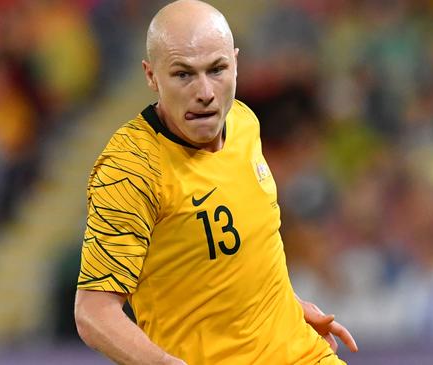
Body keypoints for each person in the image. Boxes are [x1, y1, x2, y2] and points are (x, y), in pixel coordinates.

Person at [74, 1, 358, 364]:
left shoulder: (244, 122)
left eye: (217, 69)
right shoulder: (129, 170)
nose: (205, 91)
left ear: (236, 63)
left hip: (303, 354)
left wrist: (290, 303)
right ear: (151, 76)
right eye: (183, 74)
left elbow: (247, 250)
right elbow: (93, 312)